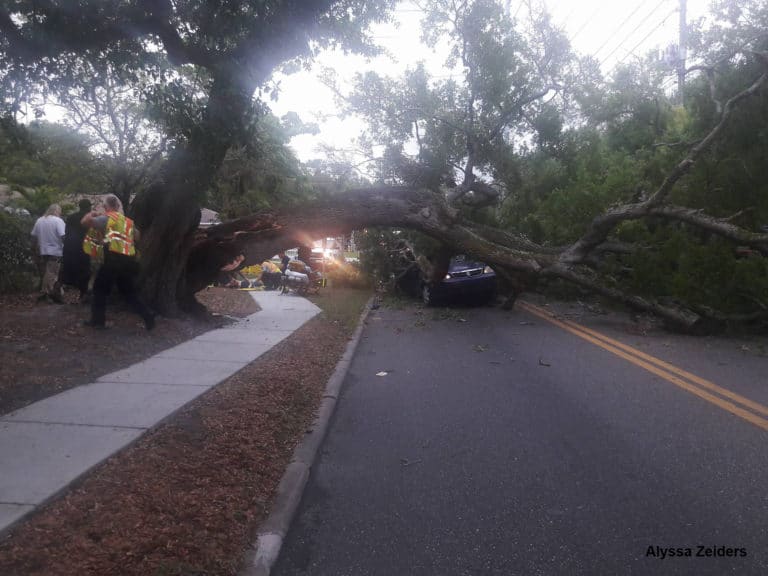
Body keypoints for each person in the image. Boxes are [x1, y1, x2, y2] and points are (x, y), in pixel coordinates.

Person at [80, 194, 155, 330]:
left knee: (99, 290)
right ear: (118, 206)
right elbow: (137, 236)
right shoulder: (127, 221)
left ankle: (98, 322)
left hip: (112, 261)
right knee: (129, 293)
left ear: (106, 206)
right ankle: (148, 316)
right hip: (127, 261)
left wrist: (92, 213)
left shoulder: (108, 218)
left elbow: (84, 222)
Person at [30, 203, 66, 303]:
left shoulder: (39, 220)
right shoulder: (58, 221)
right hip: (56, 251)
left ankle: (54, 294)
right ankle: (46, 294)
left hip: (43, 251)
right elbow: (63, 236)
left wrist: (33, 249)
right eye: (60, 211)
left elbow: (33, 236)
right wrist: (67, 248)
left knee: (48, 273)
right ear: (57, 211)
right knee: (52, 274)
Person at [60, 198, 93, 303]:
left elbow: (67, 232)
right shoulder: (89, 218)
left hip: (71, 247)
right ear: (89, 207)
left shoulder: (70, 217)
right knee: (85, 269)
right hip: (84, 247)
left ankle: (63, 291)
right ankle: (83, 293)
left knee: (71, 269)